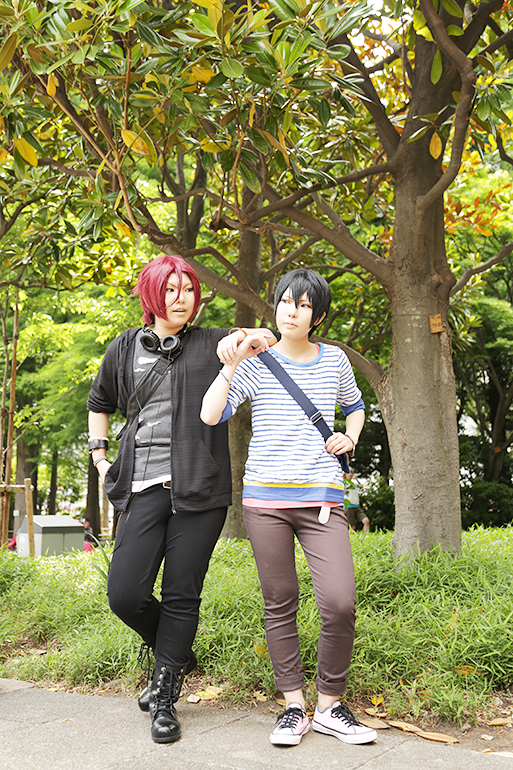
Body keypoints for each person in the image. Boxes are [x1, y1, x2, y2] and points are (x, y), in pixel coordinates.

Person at [86, 254, 275, 744]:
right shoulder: (124, 347)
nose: (181, 298)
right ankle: (177, 652)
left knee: (181, 593)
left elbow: (266, 339)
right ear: (152, 295)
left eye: (188, 289)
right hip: (141, 486)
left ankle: (165, 695)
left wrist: (245, 339)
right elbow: (99, 403)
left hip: (200, 488)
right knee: (125, 594)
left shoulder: (212, 342)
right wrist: (100, 457)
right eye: (170, 289)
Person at [201, 268, 377, 748]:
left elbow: (355, 406)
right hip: (265, 501)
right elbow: (210, 415)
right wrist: (232, 363)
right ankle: (294, 706)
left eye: (302, 305)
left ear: (317, 316)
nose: (291, 312)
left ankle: (330, 707)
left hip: (322, 499)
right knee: (279, 602)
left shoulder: (334, 360)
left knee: (339, 602)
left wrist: (350, 436)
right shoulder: (257, 362)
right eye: (284, 302)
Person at [343, 469, 370, 533]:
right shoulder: (343, 484)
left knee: (366, 521)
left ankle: (367, 537)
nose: (350, 474)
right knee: (352, 527)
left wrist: (356, 479)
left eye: (351, 473)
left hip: (357, 506)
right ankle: (349, 538)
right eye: (348, 473)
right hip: (349, 507)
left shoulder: (354, 484)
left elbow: (361, 486)